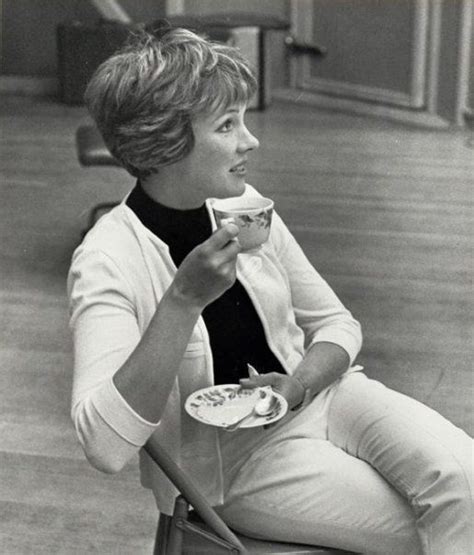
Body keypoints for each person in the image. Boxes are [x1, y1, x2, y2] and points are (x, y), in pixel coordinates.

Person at [67, 26, 473, 555]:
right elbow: (103, 444)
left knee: (464, 484)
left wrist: (299, 384)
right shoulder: (108, 258)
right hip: (237, 466)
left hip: (326, 395)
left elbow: (336, 324)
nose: (250, 140)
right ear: (163, 142)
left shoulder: (245, 208)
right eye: (227, 124)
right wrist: (184, 300)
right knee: (438, 528)